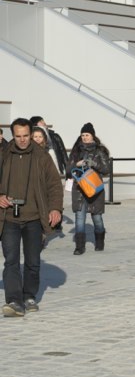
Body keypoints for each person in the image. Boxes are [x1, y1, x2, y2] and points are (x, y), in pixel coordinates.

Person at [1, 118, 64, 317]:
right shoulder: (3, 155)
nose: (22, 140)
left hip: (34, 218)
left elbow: (54, 184)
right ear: (13, 135)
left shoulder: (42, 157)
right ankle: (13, 300)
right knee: (10, 260)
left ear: (31, 133)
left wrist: (55, 209)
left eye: (25, 136)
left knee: (33, 260)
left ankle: (29, 295)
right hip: (8, 217)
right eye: (18, 136)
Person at [68, 123, 111, 255]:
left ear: (92, 135)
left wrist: (93, 164)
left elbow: (106, 169)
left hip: (94, 190)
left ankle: (99, 241)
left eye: (87, 135)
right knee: (79, 218)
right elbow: (68, 170)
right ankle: (79, 247)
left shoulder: (100, 151)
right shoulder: (76, 151)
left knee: (97, 218)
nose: (85, 137)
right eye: (83, 135)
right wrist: (76, 164)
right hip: (79, 189)